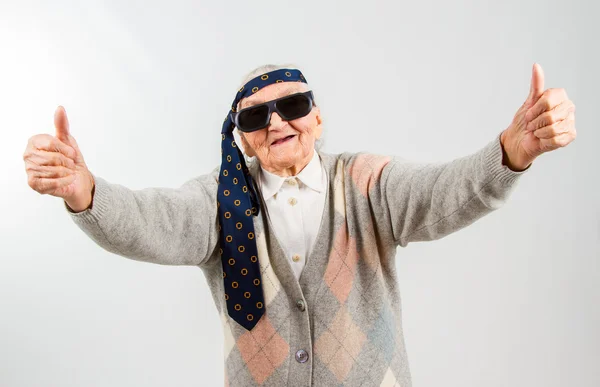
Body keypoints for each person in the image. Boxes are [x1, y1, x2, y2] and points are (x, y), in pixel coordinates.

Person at [23, 63, 576, 386]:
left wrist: (511, 151)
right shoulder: (220, 200)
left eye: (292, 103)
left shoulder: (366, 181)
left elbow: (440, 194)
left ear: (317, 115)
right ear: (240, 136)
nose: (277, 122)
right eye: (256, 115)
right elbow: (154, 223)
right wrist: (85, 192)